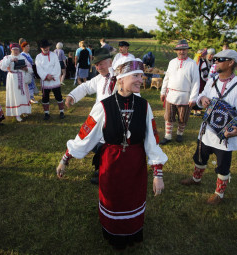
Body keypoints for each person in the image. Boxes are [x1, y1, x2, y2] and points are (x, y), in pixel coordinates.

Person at [56, 56, 167, 250]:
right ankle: (113, 233)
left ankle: (132, 232)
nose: (142, 80)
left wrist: (158, 174)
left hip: (135, 164)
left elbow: (152, 141)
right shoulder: (104, 106)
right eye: (136, 76)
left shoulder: (144, 106)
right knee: (113, 199)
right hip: (111, 163)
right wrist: (66, 158)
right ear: (121, 79)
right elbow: (85, 135)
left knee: (133, 198)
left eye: (142, 76)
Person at [180, 49, 237, 205]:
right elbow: (201, 96)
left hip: (225, 136)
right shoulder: (212, 80)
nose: (215, 62)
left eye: (219, 59)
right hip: (207, 131)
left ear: (231, 62)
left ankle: (218, 194)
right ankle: (196, 179)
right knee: (200, 157)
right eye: (214, 59)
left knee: (222, 166)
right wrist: (203, 99)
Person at [65, 48, 115, 184]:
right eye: (97, 65)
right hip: (99, 118)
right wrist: (72, 95)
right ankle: (100, 168)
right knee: (97, 143)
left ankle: (106, 172)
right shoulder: (99, 79)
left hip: (115, 119)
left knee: (110, 146)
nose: (99, 67)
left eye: (102, 64)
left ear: (110, 62)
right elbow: (86, 87)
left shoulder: (120, 77)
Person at [160, 39, 200, 144]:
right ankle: (167, 136)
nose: (182, 52)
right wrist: (163, 92)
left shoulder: (192, 64)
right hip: (171, 95)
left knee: (183, 117)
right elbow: (166, 78)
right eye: (180, 50)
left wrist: (193, 98)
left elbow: (196, 82)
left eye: (184, 49)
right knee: (169, 116)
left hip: (185, 96)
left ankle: (179, 134)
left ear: (187, 50)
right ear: (176, 51)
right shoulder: (172, 62)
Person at [0, 43, 32, 122]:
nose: (16, 51)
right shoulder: (7, 57)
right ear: (11, 50)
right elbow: (2, 67)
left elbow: (30, 67)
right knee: (15, 95)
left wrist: (26, 69)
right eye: (14, 50)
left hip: (22, 76)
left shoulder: (22, 57)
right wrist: (11, 60)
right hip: (13, 78)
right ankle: (17, 113)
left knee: (23, 94)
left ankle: (24, 110)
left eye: (17, 49)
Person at [35, 39, 64, 120]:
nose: (46, 49)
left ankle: (61, 111)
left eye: (47, 47)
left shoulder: (54, 55)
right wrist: (45, 76)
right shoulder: (38, 57)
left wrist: (53, 76)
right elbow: (39, 68)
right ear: (41, 48)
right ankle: (46, 114)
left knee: (58, 96)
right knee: (45, 97)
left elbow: (57, 66)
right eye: (44, 47)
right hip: (45, 81)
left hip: (54, 80)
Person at [193, 48, 209, 116]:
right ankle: (198, 109)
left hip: (194, 81)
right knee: (200, 94)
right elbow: (204, 75)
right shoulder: (203, 63)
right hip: (201, 81)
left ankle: (194, 109)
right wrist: (207, 80)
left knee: (194, 94)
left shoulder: (194, 61)